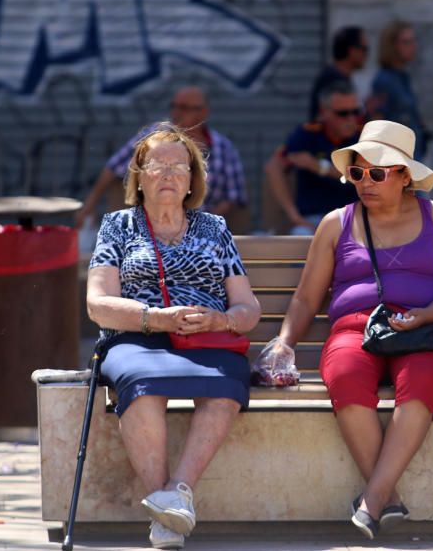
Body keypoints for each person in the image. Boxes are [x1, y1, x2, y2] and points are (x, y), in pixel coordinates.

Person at [270, 120, 433, 540]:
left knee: (421, 379)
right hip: (353, 329)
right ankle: (385, 498)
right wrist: (285, 342)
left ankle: (373, 499)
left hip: (424, 329)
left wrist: (428, 314)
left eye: (376, 173)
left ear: (404, 175)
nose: (364, 182)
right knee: (344, 375)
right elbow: (307, 298)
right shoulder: (335, 222)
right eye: (357, 173)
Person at [86, 124, 261, 550]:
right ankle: (167, 510)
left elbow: (248, 308)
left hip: (205, 339)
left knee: (226, 384)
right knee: (141, 385)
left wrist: (220, 321)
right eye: (157, 165)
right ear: (139, 177)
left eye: (179, 167)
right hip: (137, 337)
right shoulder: (118, 226)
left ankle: (174, 496)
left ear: (192, 181)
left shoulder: (214, 228)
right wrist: (157, 319)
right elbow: (98, 303)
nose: (168, 175)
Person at [76, 86, 248, 232]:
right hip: (150, 225)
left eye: (184, 107)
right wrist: (89, 206)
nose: (177, 112)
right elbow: (114, 167)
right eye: (174, 106)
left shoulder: (223, 148)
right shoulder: (152, 136)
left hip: (202, 227)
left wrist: (201, 223)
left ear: (203, 113)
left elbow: (232, 197)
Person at [264, 79, 361, 234]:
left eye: (355, 112)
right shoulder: (308, 134)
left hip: (354, 219)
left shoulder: (363, 135)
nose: (351, 119)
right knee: (299, 236)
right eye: (343, 113)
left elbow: (363, 176)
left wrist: (320, 167)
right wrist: (293, 215)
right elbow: (273, 167)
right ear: (324, 112)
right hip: (313, 220)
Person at [369, 21, 427, 158]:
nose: (413, 47)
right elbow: (378, 122)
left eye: (413, 41)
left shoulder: (403, 77)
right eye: (406, 42)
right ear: (392, 46)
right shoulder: (384, 81)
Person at [308, 25, 368, 122]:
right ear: (352, 50)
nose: (366, 55)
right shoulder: (333, 80)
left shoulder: (340, 77)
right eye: (364, 49)